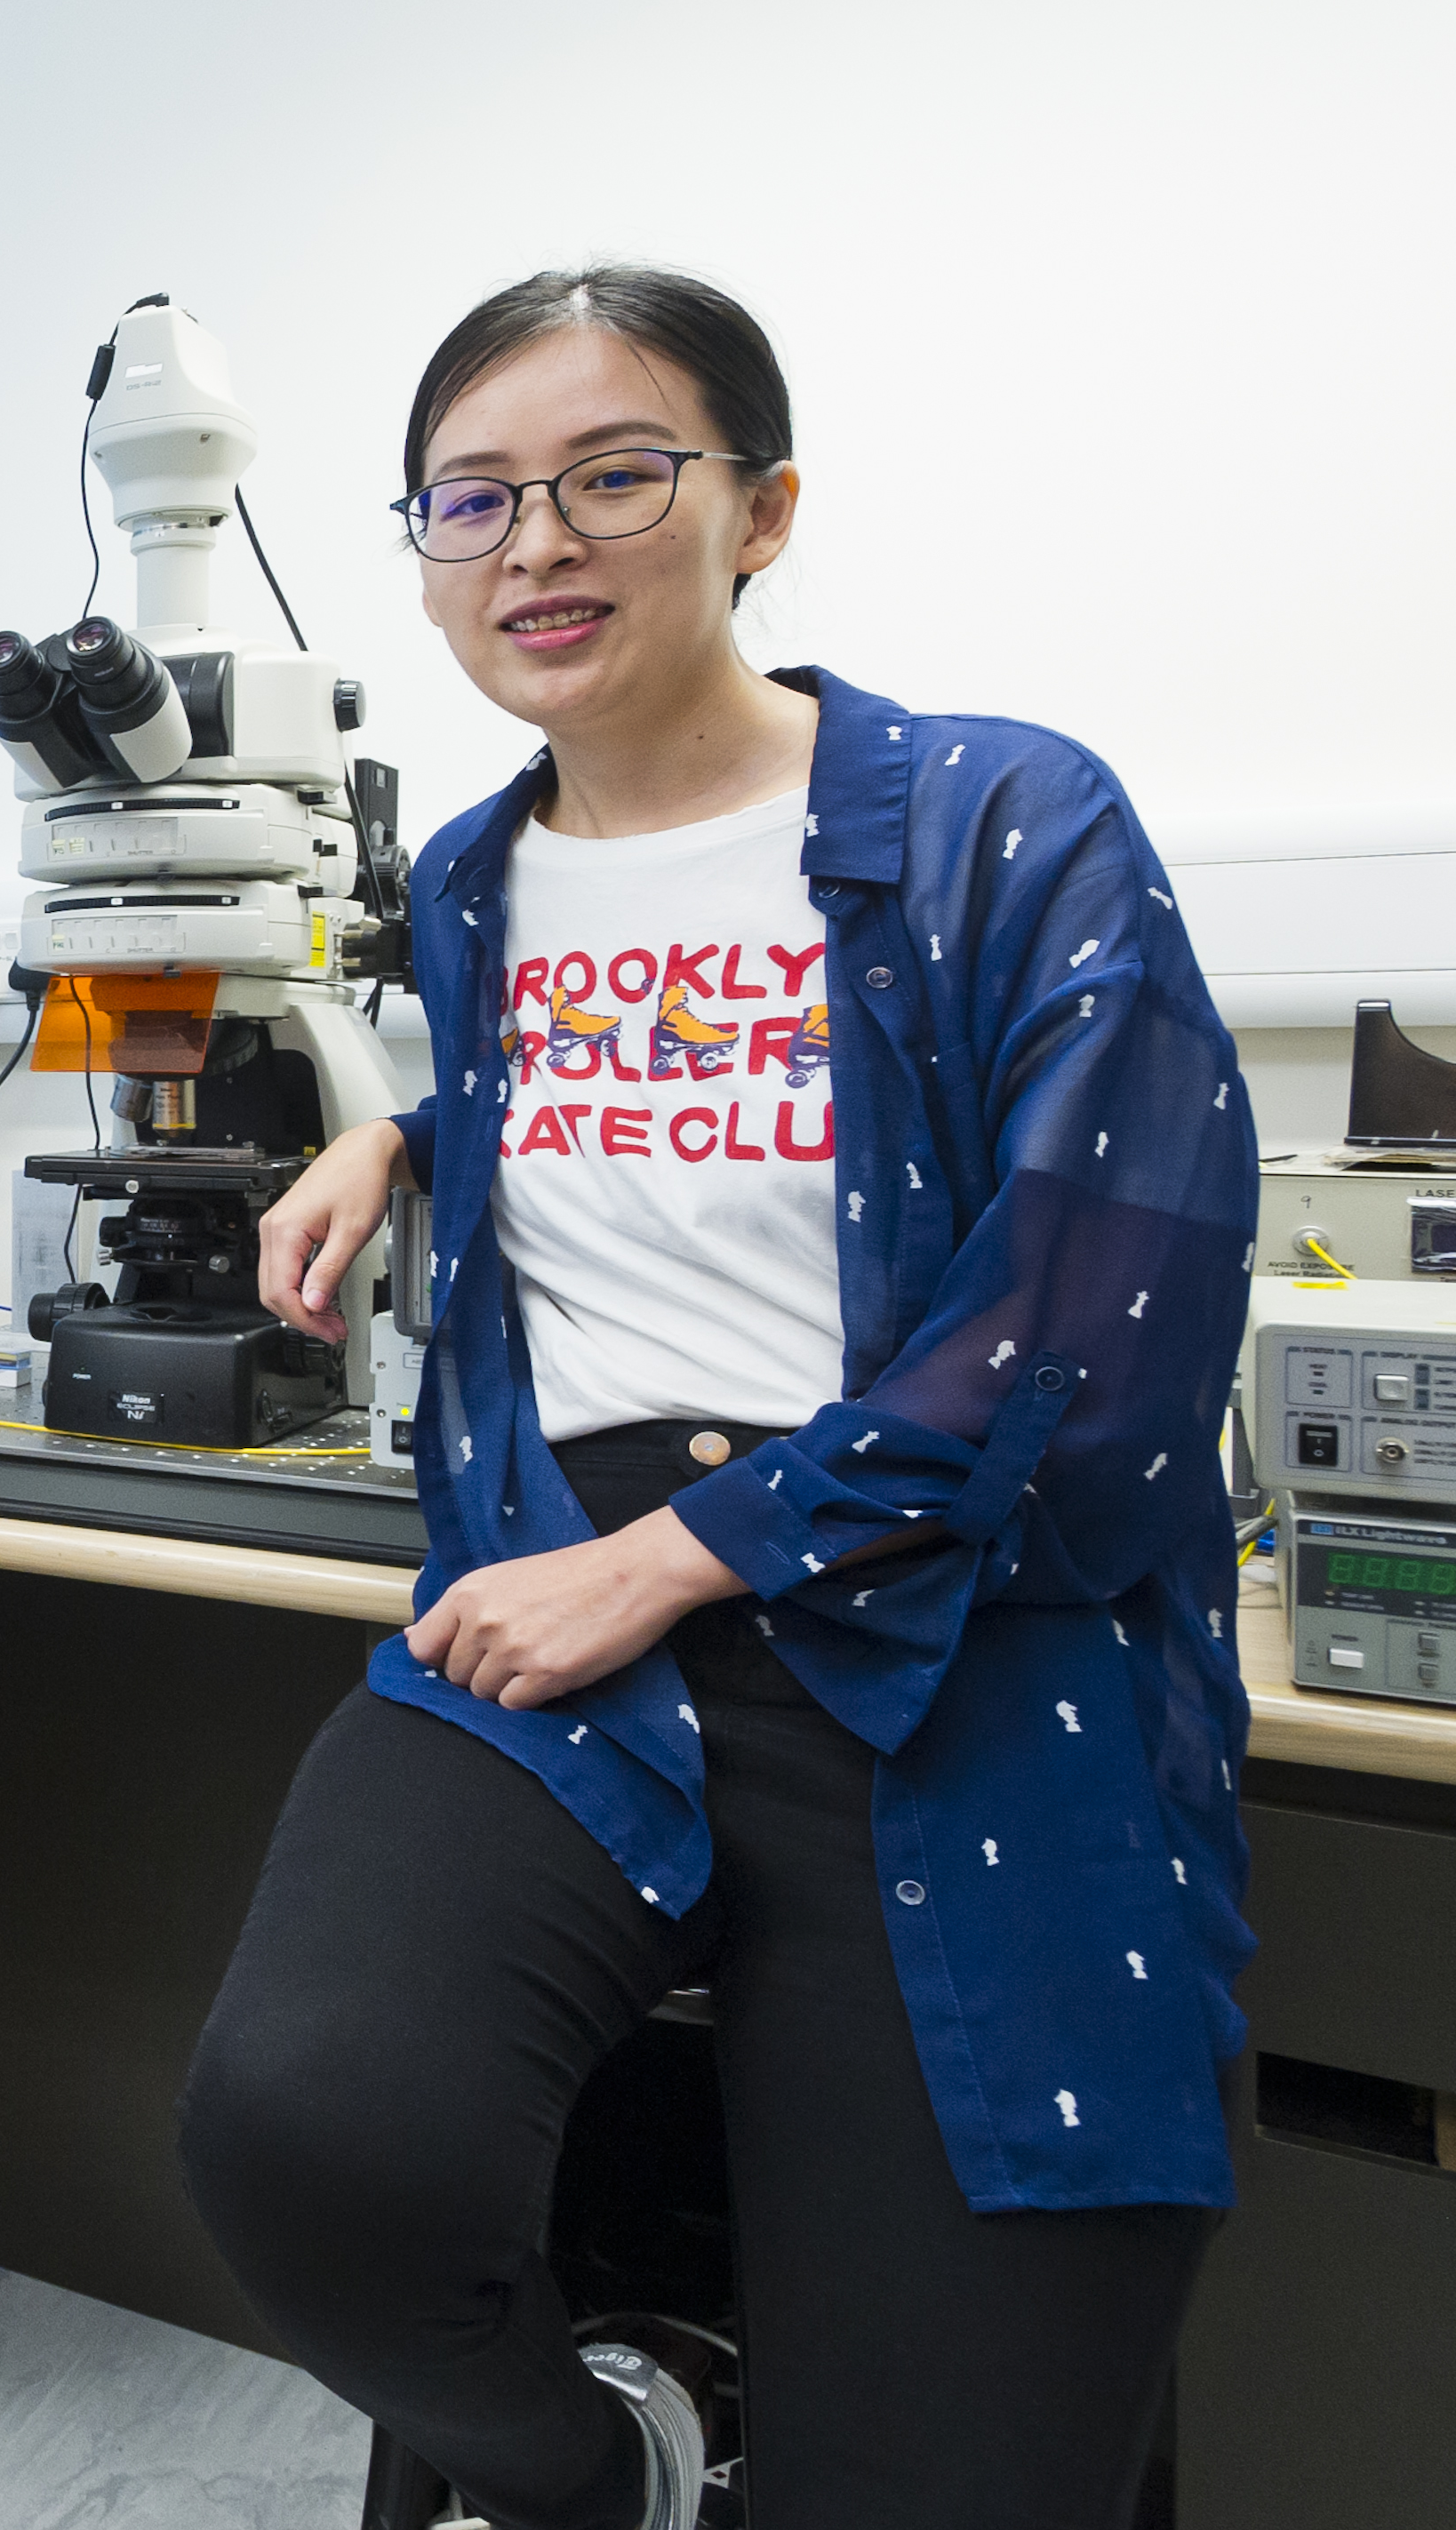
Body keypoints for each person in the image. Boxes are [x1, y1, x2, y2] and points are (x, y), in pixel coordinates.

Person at [177, 268, 1259, 2530]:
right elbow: (662, 1105)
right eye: (470, 498)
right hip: (558, 1603)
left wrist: (680, 1554)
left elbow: (1098, 1313)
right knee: (309, 2143)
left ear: (759, 509)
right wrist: (406, 1132)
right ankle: (604, 2475)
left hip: (961, 1631)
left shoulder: (1000, 817)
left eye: (613, 475)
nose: (535, 544)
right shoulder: (468, 879)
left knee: (956, 2463)